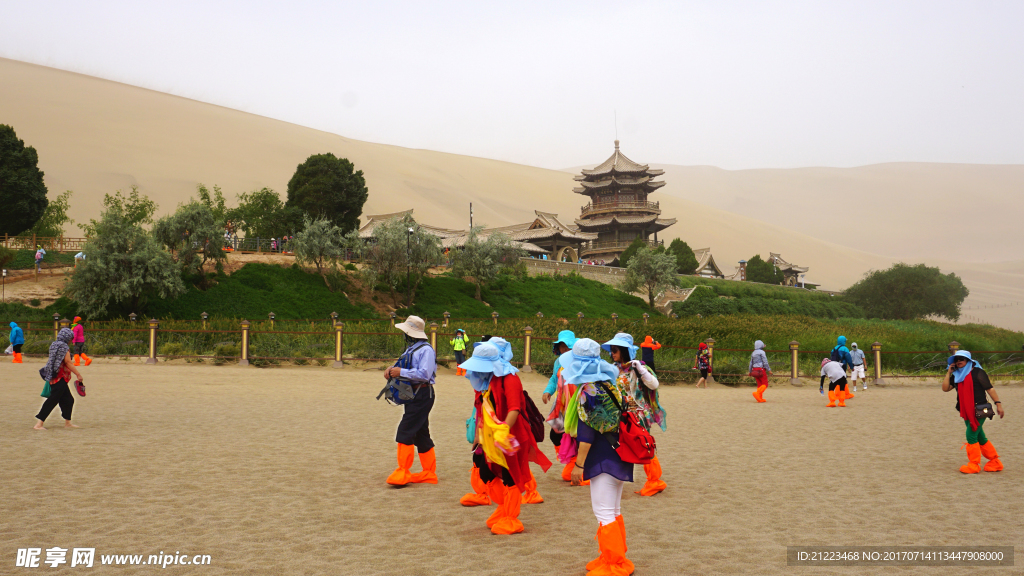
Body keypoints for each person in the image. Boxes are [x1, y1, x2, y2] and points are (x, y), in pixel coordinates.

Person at [460, 340, 551, 534]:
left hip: (511, 434)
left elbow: (515, 409)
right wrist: (478, 434)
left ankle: (511, 517)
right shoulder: (486, 381)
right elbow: (480, 408)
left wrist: (502, 432)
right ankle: (503, 508)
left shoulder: (509, 378)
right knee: (486, 471)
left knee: (510, 476)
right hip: (489, 434)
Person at [562, 338, 637, 575]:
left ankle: (613, 562)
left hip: (603, 456)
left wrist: (578, 465)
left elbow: (587, 433)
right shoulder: (610, 383)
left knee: (603, 511)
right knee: (613, 509)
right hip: (620, 452)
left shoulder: (588, 390)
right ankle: (613, 556)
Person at [603, 332, 667, 498]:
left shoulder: (638, 368)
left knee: (644, 444)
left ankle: (655, 481)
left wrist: (641, 369)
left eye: (615, 349)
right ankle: (616, 480)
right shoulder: (613, 368)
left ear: (624, 350)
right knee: (620, 444)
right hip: (621, 413)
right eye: (611, 350)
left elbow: (654, 384)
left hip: (638, 413)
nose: (612, 353)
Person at [383, 316, 438, 486]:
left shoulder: (426, 350)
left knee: (405, 430)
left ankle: (403, 470)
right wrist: (391, 370)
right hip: (415, 394)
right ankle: (428, 472)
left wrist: (400, 372)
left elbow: (424, 374)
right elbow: (405, 367)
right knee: (421, 432)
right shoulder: (413, 348)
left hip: (422, 394)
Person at [942, 351, 1004, 474]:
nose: (959, 361)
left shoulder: (977, 373)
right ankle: (994, 461)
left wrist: (998, 404)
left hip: (979, 409)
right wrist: (949, 373)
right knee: (980, 436)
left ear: (968, 360)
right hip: (965, 410)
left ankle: (974, 464)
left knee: (971, 435)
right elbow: (945, 388)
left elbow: (990, 389)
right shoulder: (957, 375)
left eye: (962, 359)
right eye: (956, 359)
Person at [541, 330, 584, 483]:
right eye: (561, 346)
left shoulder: (580, 360)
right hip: (561, 403)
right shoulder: (558, 362)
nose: (564, 349)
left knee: (577, 435)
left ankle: (580, 463)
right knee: (555, 434)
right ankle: (570, 458)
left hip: (577, 404)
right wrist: (548, 391)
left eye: (567, 346)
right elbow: (554, 379)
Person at [33, 327, 84, 430]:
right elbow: (68, 362)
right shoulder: (63, 347)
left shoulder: (54, 345)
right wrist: (78, 374)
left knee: (69, 400)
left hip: (54, 376)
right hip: (59, 377)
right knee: (52, 400)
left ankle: (68, 423)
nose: (71, 341)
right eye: (70, 339)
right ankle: (39, 424)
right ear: (67, 338)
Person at [831, 336, 855, 400]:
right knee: (842, 379)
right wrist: (852, 367)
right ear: (844, 341)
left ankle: (841, 393)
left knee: (836, 379)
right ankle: (842, 394)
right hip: (842, 366)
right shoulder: (845, 349)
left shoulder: (834, 349)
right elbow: (849, 359)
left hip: (834, 366)